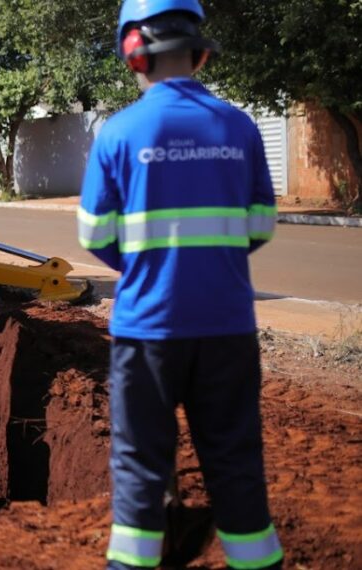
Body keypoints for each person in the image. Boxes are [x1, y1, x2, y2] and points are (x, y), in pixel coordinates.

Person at [78, 1, 283, 568]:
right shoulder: (239, 126)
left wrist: (149, 264)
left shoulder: (118, 133)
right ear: (198, 46)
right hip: (228, 328)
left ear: (132, 51)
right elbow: (260, 225)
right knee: (236, 464)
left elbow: (94, 235)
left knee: (141, 468)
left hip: (147, 332)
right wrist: (209, 261)